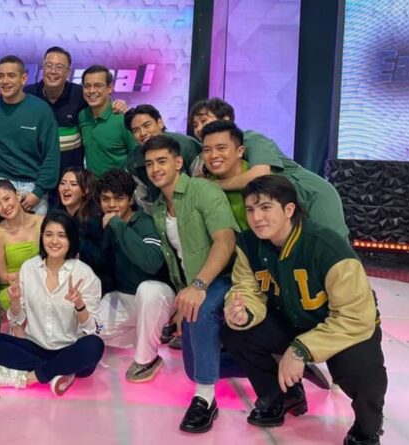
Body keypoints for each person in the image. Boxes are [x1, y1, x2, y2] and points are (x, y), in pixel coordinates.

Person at [222, 175, 386, 445]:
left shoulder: (328, 247)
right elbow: (246, 288)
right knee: (236, 333)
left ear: (289, 209)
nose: (256, 217)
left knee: (362, 373)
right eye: (250, 209)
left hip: (344, 326)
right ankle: (284, 397)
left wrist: (300, 349)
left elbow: (356, 317)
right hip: (292, 319)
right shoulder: (248, 244)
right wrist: (242, 311)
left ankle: (367, 429)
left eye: (265, 207)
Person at [144, 135, 239, 433]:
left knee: (201, 312)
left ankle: (205, 400)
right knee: (191, 366)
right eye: (149, 164)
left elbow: (225, 241)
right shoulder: (159, 208)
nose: (155, 169)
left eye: (162, 161)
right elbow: (177, 261)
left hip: (225, 277)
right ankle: (274, 365)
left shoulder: (203, 190)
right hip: (194, 285)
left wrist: (198, 286)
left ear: (178, 162)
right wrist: (182, 297)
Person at [0, 211, 104, 396]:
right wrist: (15, 302)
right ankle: (59, 371)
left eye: (61, 236)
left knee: (94, 346)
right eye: (49, 234)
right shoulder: (29, 268)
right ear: (42, 237)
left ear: (71, 239)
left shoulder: (84, 274)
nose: (54, 241)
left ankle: (29, 377)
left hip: (70, 349)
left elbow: (93, 329)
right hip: (35, 347)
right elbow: (18, 320)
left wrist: (79, 304)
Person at [188, 97, 348, 239]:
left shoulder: (251, 139)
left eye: (204, 120)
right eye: (195, 125)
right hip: (283, 205)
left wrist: (214, 184)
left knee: (332, 246)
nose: (198, 128)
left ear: (226, 118)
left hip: (312, 194)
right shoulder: (203, 157)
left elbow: (259, 176)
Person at [94, 169, 175, 383]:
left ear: (131, 199)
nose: (112, 204)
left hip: (158, 297)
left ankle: (147, 359)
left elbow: (151, 262)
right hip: (126, 298)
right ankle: (149, 333)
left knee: (148, 291)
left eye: (119, 198)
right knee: (89, 329)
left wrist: (118, 225)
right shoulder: (106, 224)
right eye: (106, 199)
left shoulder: (145, 223)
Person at [23, 47, 128, 173]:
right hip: (34, 174)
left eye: (59, 67)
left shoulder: (80, 94)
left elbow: (100, 100)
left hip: (71, 178)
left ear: (68, 72)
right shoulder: (26, 95)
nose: (53, 71)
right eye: (48, 65)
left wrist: (119, 103)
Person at [0, 55, 60, 215]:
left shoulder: (41, 110)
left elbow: (51, 155)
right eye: (1, 76)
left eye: (11, 75)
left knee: (35, 232)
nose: (5, 81)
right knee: (2, 232)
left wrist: (38, 191)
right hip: (1, 185)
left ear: (23, 78)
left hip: (33, 188)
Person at [124, 104, 202, 210]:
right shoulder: (133, 160)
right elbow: (142, 200)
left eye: (147, 126)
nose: (143, 133)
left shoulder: (187, 145)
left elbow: (202, 183)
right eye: (136, 130)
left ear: (160, 123)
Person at [0, 180, 43, 324]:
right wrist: (32, 276)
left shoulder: (42, 222)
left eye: (7, 199)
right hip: (13, 288)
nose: (4, 207)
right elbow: (3, 277)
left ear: (17, 195)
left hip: (44, 282)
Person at [77, 65, 139, 177]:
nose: (91, 91)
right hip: (91, 186)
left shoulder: (123, 119)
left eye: (98, 85)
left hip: (118, 186)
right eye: (87, 86)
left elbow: (137, 157)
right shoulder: (82, 116)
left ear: (110, 88)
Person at [56, 167, 105, 271]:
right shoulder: (57, 215)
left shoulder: (94, 220)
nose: (66, 188)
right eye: (62, 183)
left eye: (73, 184)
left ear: (85, 190)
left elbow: (101, 259)